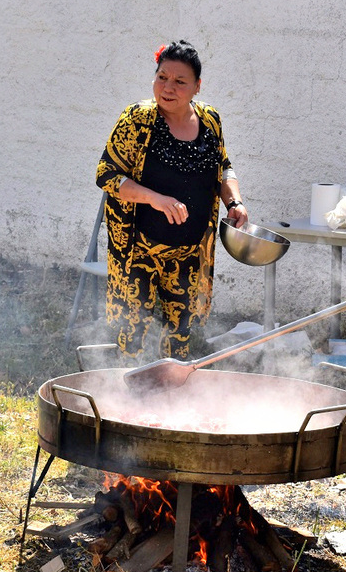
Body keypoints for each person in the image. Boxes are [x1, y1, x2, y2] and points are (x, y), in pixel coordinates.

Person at [96, 40, 248, 360]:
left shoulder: (210, 120)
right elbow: (107, 174)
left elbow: (223, 167)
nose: (168, 87)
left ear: (196, 87)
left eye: (180, 81)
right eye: (162, 77)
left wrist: (235, 203)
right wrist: (155, 199)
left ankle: (171, 395)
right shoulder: (137, 120)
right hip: (140, 250)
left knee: (180, 334)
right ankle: (124, 395)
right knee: (133, 332)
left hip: (190, 253)